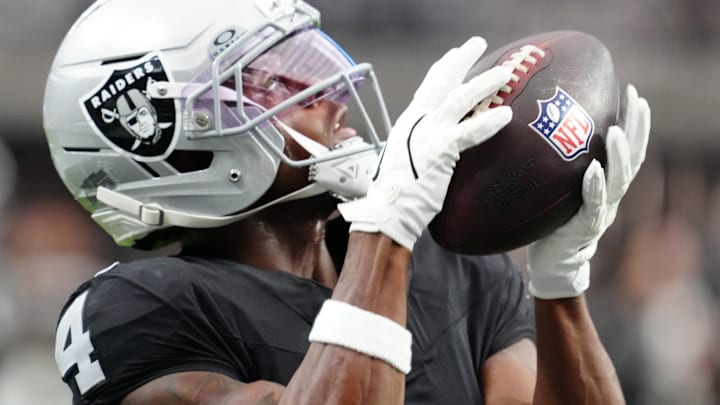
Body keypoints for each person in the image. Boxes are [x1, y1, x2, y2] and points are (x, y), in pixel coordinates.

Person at [45, 0, 650, 404]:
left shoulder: (447, 256)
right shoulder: (140, 306)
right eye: (280, 81)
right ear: (162, 136)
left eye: (314, 64)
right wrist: (387, 231)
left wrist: (560, 285)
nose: (333, 95)